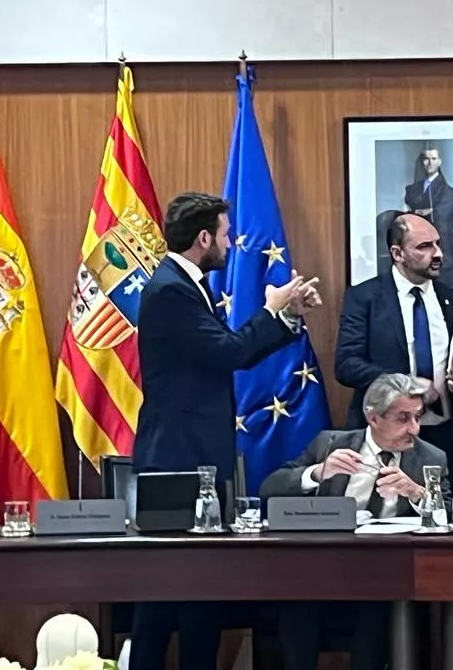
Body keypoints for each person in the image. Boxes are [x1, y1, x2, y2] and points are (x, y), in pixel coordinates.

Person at [130, 191, 323, 670]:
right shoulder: (170, 289)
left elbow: (226, 353)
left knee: (201, 590)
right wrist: (273, 309)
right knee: (165, 596)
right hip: (175, 461)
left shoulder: (186, 284)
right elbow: (228, 352)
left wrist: (288, 314)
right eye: (224, 234)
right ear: (203, 238)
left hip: (194, 457)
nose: (230, 242)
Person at [260, 373, 449, 670]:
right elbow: (270, 488)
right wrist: (317, 472)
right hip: (324, 563)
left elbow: (449, 517)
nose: (414, 428)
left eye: (417, 417)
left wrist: (417, 492)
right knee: (296, 599)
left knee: (378, 609)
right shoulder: (330, 443)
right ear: (373, 418)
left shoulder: (431, 458)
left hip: (386, 569)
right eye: (403, 418)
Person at [335, 212, 453, 496]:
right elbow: (347, 365)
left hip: (441, 434)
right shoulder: (365, 298)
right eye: (424, 246)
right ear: (397, 253)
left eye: (437, 244)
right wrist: (407, 385)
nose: (437, 254)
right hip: (386, 431)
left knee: (444, 510)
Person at [403, 146, 453, 270]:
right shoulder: (412, 189)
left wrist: (430, 211)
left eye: (433, 159)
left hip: (439, 246)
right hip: (417, 243)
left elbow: (443, 214)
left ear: (439, 162)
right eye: (426, 159)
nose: (429, 163)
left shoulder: (448, 192)